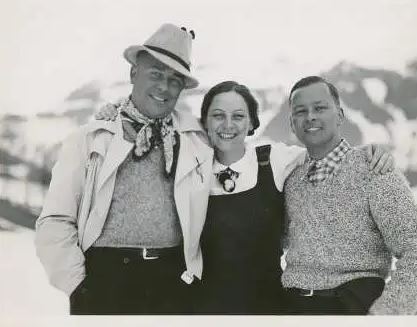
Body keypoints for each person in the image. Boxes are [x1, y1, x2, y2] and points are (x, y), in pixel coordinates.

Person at [95, 80, 395, 314]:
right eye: (218, 116)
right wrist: (114, 114)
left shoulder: (274, 160)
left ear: (252, 123)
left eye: (238, 116)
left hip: (270, 310)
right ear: (205, 122)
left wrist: (369, 154)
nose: (228, 125)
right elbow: (150, 127)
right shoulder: (188, 166)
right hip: (201, 309)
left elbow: (327, 155)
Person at [35, 23, 214, 315]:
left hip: (173, 286)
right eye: (155, 74)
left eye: (174, 80)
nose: (163, 87)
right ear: (133, 73)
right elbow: (54, 221)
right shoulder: (90, 139)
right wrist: (79, 288)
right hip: (105, 283)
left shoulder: (195, 141)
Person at [281, 76, 417, 315]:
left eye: (320, 108)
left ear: (340, 115)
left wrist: (386, 315)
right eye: (301, 111)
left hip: (351, 306)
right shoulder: (291, 179)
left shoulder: (374, 170)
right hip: (294, 308)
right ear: (291, 123)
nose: (310, 117)